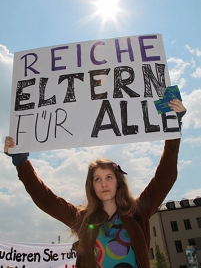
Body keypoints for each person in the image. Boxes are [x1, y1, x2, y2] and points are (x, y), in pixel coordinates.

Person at [4, 99, 186, 268]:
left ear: (118, 182)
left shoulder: (137, 211)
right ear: (92, 186)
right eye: (97, 179)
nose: (103, 184)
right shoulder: (83, 220)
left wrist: (173, 129)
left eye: (109, 177)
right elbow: (47, 200)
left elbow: (164, 178)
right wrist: (21, 162)